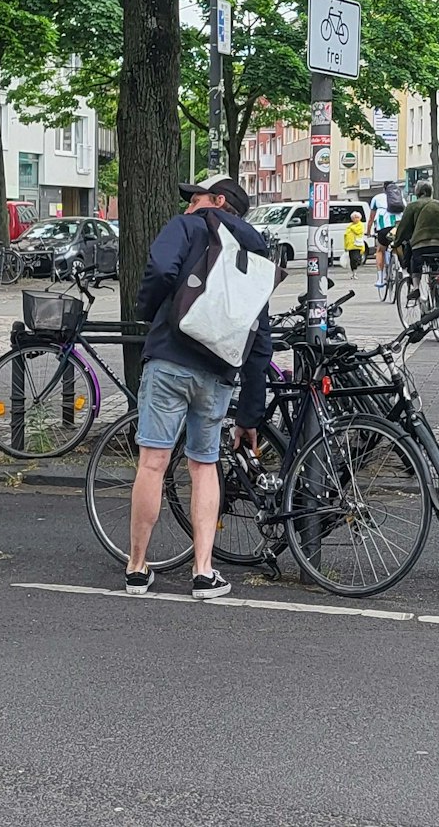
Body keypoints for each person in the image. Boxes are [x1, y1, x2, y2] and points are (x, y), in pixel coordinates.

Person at [124, 175, 274, 600]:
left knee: (153, 462)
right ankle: (204, 572)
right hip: (218, 369)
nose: (190, 203)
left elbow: (158, 269)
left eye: (197, 197)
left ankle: (137, 567)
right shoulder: (257, 250)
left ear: (217, 201)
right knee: (204, 465)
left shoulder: (187, 226)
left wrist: (154, 313)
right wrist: (249, 412)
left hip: (171, 358)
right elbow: (259, 336)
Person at [398, 182, 439, 295]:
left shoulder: (412, 206)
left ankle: (416, 288)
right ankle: (437, 289)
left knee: (414, 263)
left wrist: (396, 242)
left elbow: (403, 227)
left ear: (418, 192)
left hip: (421, 246)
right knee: (436, 269)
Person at [371, 195, 401, 296]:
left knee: (380, 250)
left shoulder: (376, 198)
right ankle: (399, 267)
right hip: (397, 227)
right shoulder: (400, 197)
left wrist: (368, 232)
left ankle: (380, 278)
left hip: (383, 228)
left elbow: (371, 218)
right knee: (397, 245)